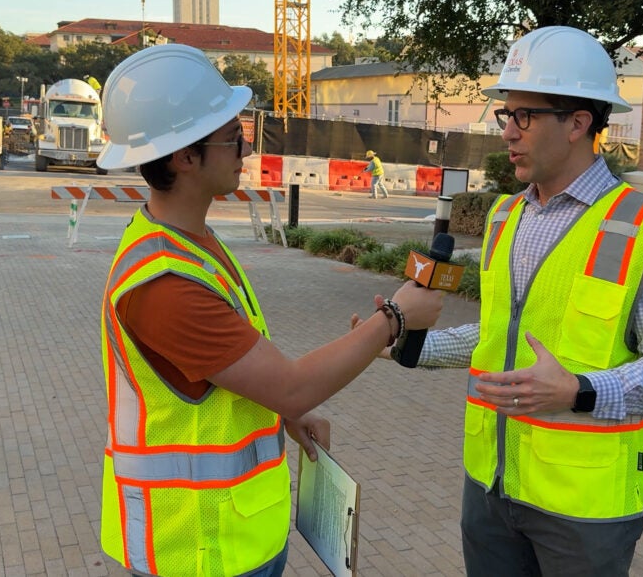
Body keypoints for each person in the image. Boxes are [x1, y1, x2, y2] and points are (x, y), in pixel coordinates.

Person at [92, 44, 446, 577]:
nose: (246, 150)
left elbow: (231, 376)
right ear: (184, 157)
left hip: (235, 535)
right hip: (200, 549)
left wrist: (285, 415)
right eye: (235, 138)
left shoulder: (190, 243)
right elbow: (292, 384)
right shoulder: (165, 285)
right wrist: (393, 317)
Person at [374, 26, 643, 575]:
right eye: (506, 114)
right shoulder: (504, 218)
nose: (507, 132)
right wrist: (409, 345)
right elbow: (498, 334)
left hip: (584, 506)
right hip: (491, 487)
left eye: (525, 116)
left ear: (578, 122)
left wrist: (580, 391)